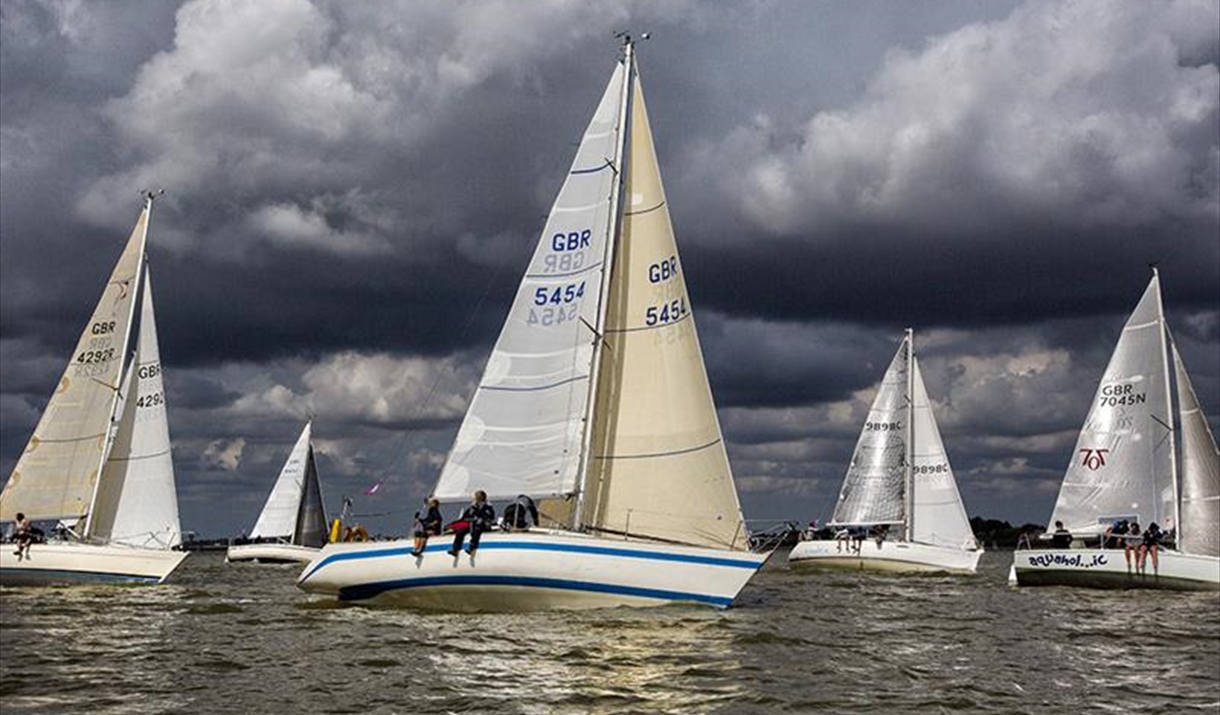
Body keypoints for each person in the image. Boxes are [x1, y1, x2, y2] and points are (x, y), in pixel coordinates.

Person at [449, 490, 495, 556]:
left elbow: (489, 517)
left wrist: (480, 518)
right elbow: (466, 516)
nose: (476, 498)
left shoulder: (487, 507)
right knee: (460, 531)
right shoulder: (473, 507)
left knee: (476, 530)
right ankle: (455, 549)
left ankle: (471, 548)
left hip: (481, 525)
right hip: (471, 524)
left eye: (478, 497)